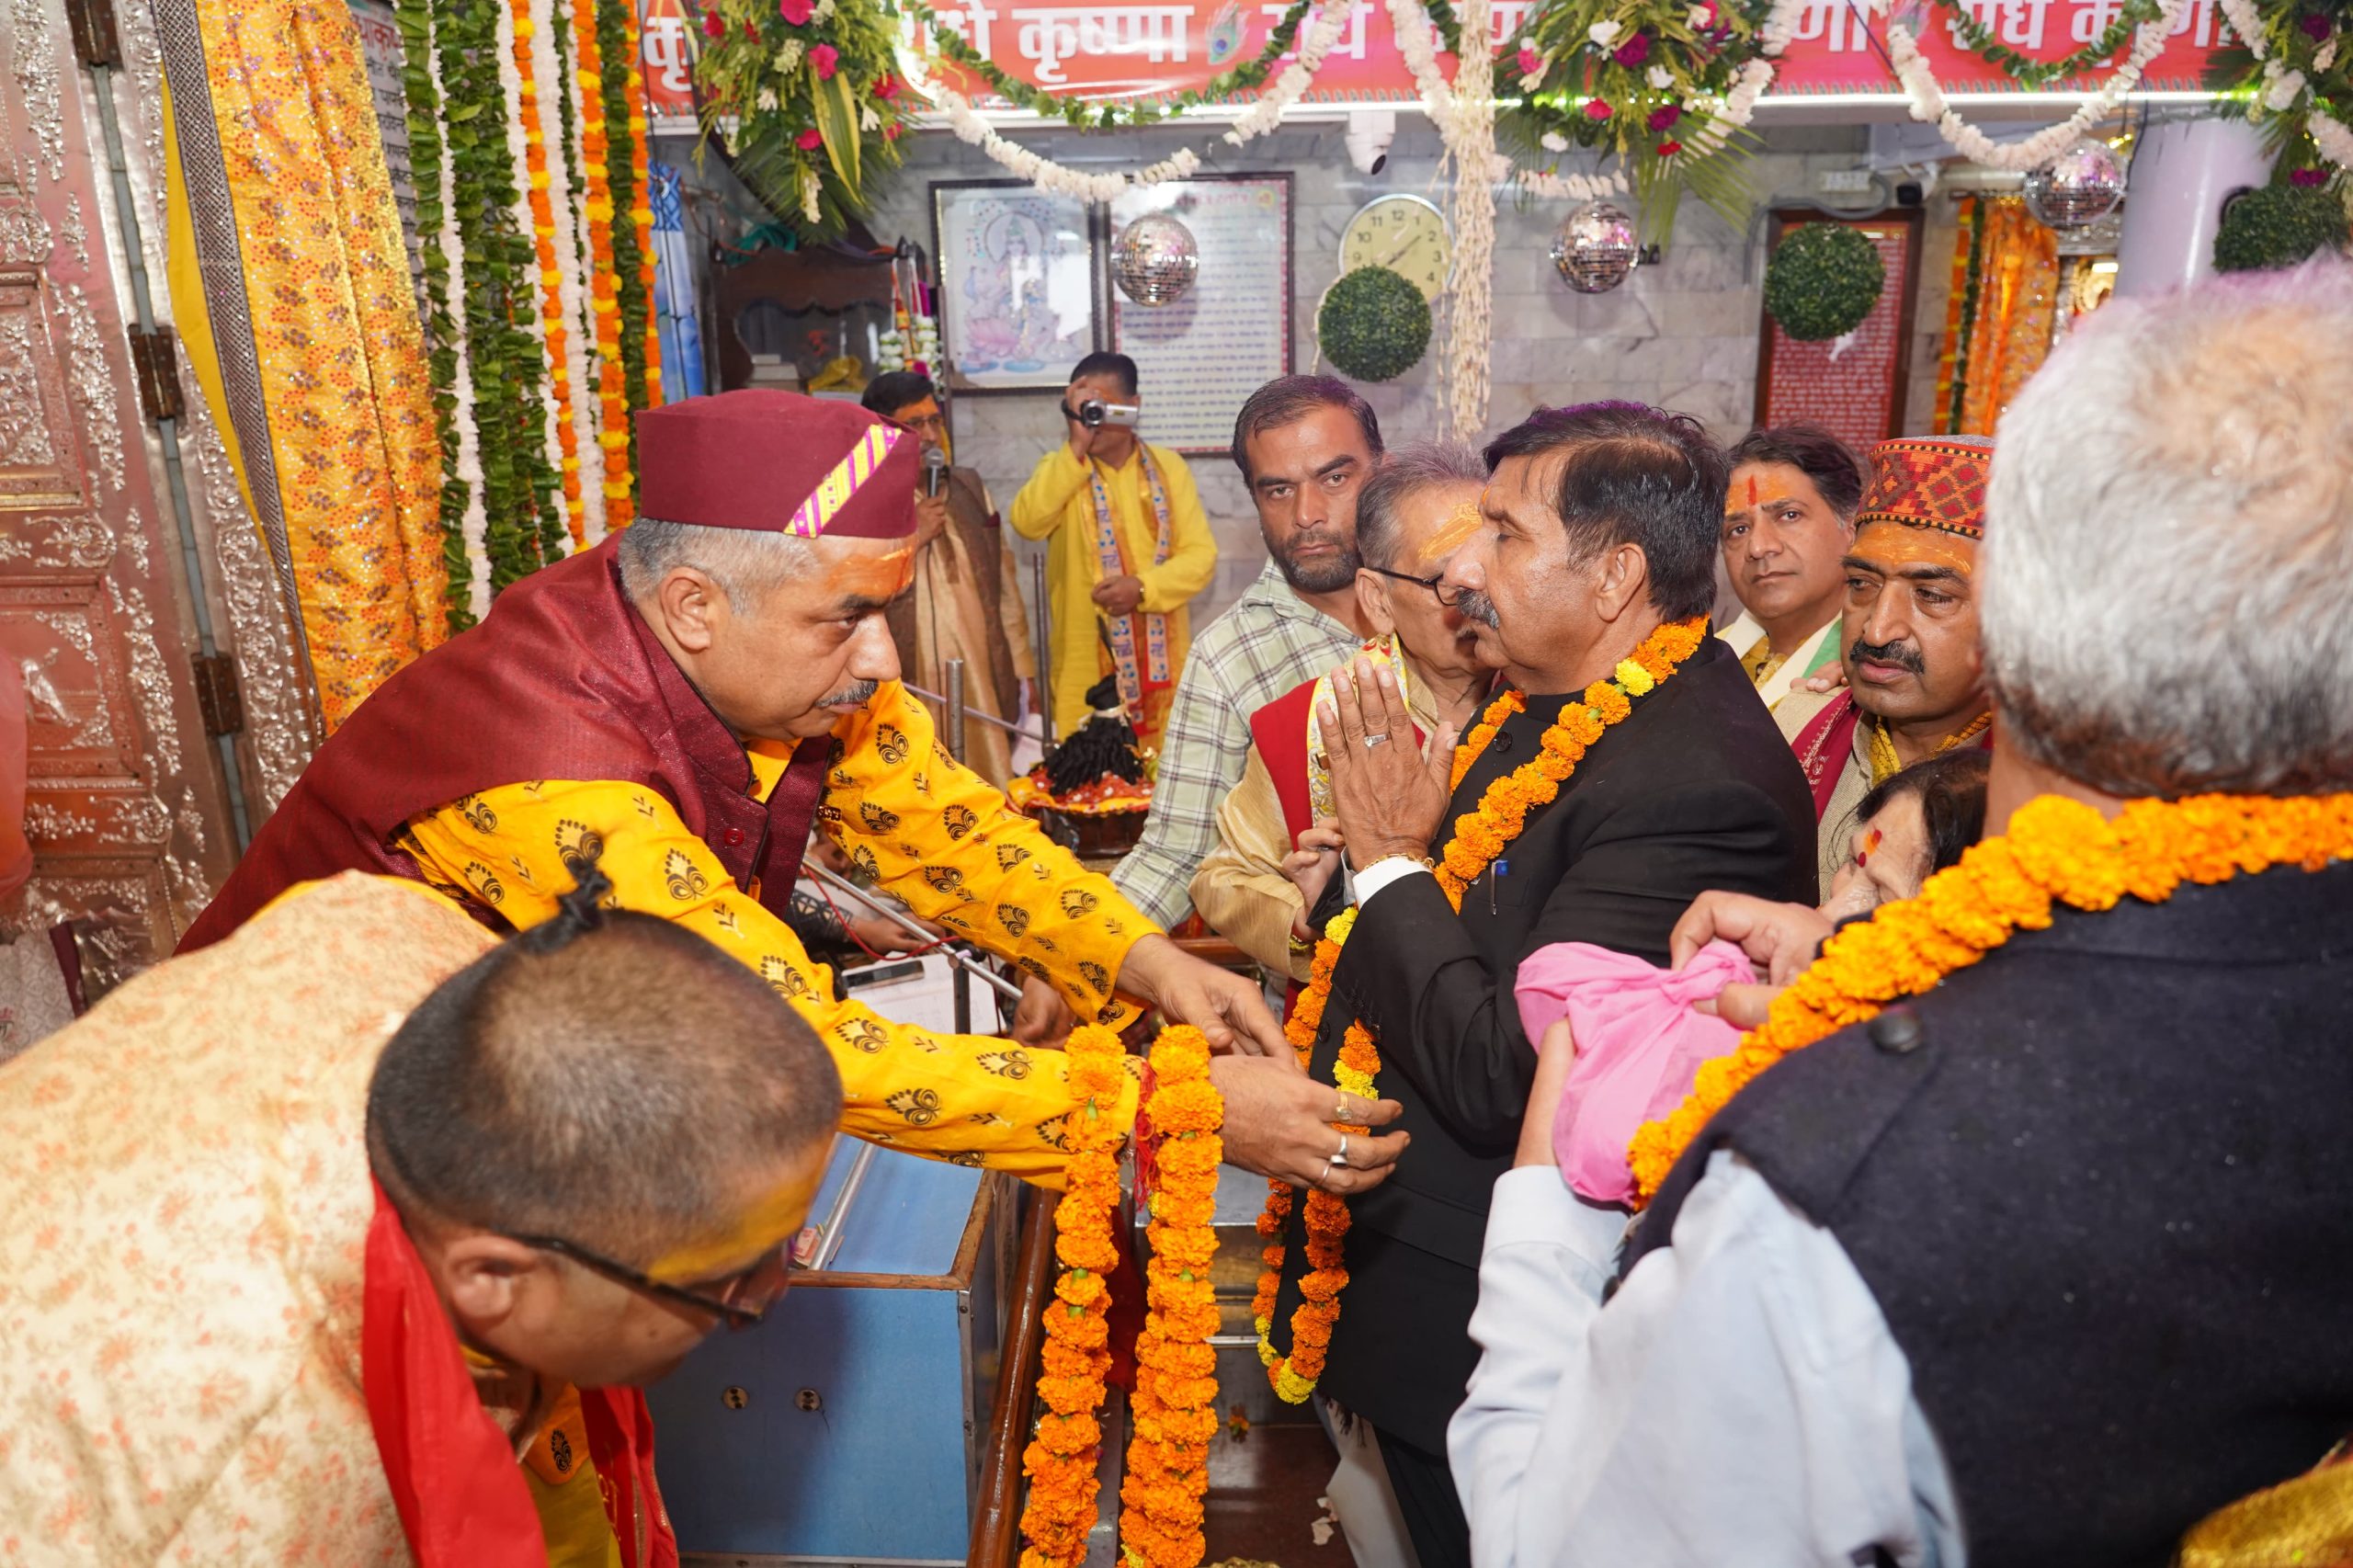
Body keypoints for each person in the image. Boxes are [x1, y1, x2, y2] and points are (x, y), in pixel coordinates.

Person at [1450, 263, 2353, 1568]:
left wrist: (1545, 1212)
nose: (1878, 623)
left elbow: (1552, 1549)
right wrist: (1855, 954)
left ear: (2012, 626)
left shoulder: (1835, 1185)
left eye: (1933, 590)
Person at [178, 390, 1396, 1202]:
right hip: (301, 1148)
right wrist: (1171, 1107)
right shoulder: (549, 764)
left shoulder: (786, 664)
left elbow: (957, 836)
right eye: (847, 617)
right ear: (695, 606)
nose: (882, 658)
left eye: (886, 611)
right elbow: (786, 1046)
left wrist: (1147, 961)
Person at [1276, 402, 1818, 1568]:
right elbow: (1448, 923)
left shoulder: (1695, 784)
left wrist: (1387, 862)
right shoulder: (1543, 704)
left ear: (1615, 576)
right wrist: (1369, 876)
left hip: (1500, 1334)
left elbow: (1507, 1074)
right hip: (1420, 1292)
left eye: (1505, 534)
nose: (1465, 570)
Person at [0, 868, 841, 1566]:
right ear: (494, 1277)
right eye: (731, 1286)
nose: (773, 1289)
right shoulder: (249, 1487)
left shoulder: (400, 931)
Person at [1188, 444, 1490, 983]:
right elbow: (1224, 879)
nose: (1481, 598)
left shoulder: (1572, 696)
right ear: (1378, 600)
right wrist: (1314, 912)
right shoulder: (1307, 724)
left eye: (1493, 567)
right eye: (1447, 580)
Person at [1108, 375, 1384, 939]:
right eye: (1278, 490)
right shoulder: (1227, 657)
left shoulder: (1444, 600)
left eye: (1334, 478)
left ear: (1383, 471)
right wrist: (1079, 948)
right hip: (1326, 974)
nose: (1306, 513)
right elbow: (1174, 855)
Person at [1790, 436, 1996, 899]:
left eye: (1932, 595)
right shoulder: (1790, 726)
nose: (1878, 629)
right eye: (1861, 584)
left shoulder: (2056, 792)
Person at [1009, 352, 1216, 744]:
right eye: (1085, 408)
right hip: (1084, 671)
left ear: (1133, 405)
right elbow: (1027, 522)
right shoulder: (1062, 469)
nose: (1095, 418)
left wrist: (1143, 587)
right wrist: (1075, 447)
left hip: (1162, 671)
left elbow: (1200, 556)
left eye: (1103, 406)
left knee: (1162, 769)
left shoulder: (1169, 468)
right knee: (1087, 774)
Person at [860, 370, 1036, 788]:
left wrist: (1024, 670)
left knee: (987, 783)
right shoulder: (864, 499)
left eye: (934, 421)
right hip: (907, 681)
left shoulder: (968, 488)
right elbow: (850, 586)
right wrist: (912, 539)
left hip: (980, 676)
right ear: (884, 432)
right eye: (914, 424)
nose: (929, 435)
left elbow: (1005, 587)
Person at [1714, 425, 1863, 734]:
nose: (1758, 547)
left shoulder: (1875, 669)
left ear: (1851, 529)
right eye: (1738, 529)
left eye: (1789, 515)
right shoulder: (1695, 661)